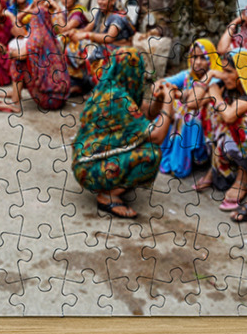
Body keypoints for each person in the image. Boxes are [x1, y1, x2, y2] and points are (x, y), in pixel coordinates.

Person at [71, 50, 176, 219]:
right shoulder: (118, 98)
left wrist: (160, 98)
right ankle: (108, 196)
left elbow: (146, 113)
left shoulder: (110, 87)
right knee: (152, 154)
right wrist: (169, 102)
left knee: (142, 143)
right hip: (90, 170)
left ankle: (112, 184)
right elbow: (157, 136)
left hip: (84, 163)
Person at [201, 49, 247, 221]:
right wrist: (209, 77)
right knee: (209, 108)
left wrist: (215, 95)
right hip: (227, 152)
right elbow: (191, 102)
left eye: (229, 72)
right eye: (223, 71)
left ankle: (244, 178)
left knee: (241, 118)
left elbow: (230, 115)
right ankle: (216, 167)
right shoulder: (225, 85)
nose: (224, 76)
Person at [0, 0, 71, 114]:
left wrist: (10, 53)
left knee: (18, 62)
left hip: (49, 100)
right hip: (62, 97)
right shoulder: (51, 35)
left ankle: (15, 104)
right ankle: (15, 93)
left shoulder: (37, 38)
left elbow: (20, 54)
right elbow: (16, 22)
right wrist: (30, 10)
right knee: (24, 57)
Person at [156, 38, 221, 177]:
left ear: (211, 58)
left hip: (205, 131)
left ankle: (184, 161)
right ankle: (161, 152)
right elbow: (162, 84)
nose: (197, 62)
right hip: (188, 119)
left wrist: (178, 94)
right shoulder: (187, 75)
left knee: (188, 115)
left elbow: (193, 102)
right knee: (171, 109)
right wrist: (160, 86)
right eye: (194, 57)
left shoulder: (215, 78)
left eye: (203, 58)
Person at [66, 0, 135, 87]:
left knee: (95, 53)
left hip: (118, 50)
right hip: (104, 46)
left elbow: (109, 37)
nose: (99, 2)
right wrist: (74, 32)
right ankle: (80, 82)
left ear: (113, 1)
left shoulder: (117, 17)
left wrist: (87, 35)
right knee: (72, 48)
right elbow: (86, 29)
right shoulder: (100, 13)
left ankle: (99, 89)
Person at [54, 0, 91, 93]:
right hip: (72, 41)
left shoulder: (78, 11)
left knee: (64, 48)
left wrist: (59, 13)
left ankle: (78, 83)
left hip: (82, 43)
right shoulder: (66, 12)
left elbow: (64, 29)